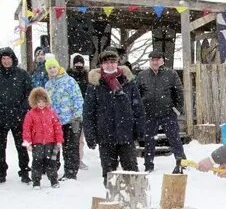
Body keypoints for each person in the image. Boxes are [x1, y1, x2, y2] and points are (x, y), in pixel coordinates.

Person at [83, 49, 145, 186]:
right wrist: (90, 135)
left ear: (117, 63)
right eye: (106, 62)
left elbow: (138, 107)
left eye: (113, 62)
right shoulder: (95, 85)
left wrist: (140, 130)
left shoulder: (128, 82)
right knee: (109, 173)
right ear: (101, 65)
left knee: (132, 172)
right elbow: (88, 113)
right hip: (105, 135)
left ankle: (135, 201)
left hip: (126, 134)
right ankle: (112, 201)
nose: (110, 65)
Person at [136, 50, 186, 173]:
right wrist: (140, 110)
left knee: (174, 138)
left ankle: (181, 162)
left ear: (162, 60)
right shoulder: (142, 75)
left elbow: (179, 93)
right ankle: (149, 164)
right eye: (152, 60)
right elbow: (136, 94)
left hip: (167, 113)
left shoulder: (171, 74)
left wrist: (176, 110)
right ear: (149, 61)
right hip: (149, 113)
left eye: (157, 59)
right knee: (149, 140)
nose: (155, 62)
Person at [44, 56, 83, 181]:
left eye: (54, 67)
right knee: (56, 147)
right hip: (55, 121)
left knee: (70, 147)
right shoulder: (48, 84)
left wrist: (77, 115)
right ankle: (53, 170)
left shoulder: (69, 81)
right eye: (49, 68)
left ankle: (71, 173)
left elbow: (77, 98)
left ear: (58, 67)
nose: (52, 69)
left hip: (71, 119)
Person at [0, 47, 32, 184]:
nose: (6, 61)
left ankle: (24, 171)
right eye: (4, 59)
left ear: (13, 59)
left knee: (22, 147)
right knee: (1, 147)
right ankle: (1, 172)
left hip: (19, 117)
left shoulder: (22, 74)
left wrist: (22, 110)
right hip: (1, 117)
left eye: (8, 58)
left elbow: (29, 94)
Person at [21, 88, 63, 189]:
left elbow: (57, 127)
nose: (41, 104)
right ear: (34, 102)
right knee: (37, 161)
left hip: (50, 142)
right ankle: (36, 181)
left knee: (52, 162)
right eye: (39, 101)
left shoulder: (51, 113)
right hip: (37, 143)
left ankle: (54, 180)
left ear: (47, 101)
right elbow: (26, 129)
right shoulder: (30, 114)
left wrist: (59, 140)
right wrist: (28, 142)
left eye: (43, 101)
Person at [67, 54, 90, 170]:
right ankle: (75, 160)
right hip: (73, 112)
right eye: (77, 63)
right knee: (75, 138)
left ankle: (80, 158)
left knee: (81, 138)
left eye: (81, 63)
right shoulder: (69, 76)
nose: (79, 65)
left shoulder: (87, 76)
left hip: (85, 110)